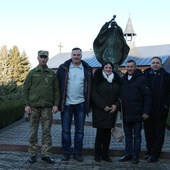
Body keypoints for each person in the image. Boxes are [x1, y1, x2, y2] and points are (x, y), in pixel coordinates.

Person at [23, 50, 60, 164]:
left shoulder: (51, 74)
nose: (43, 59)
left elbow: (56, 90)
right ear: (38, 58)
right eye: (41, 57)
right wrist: (26, 105)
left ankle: (46, 154)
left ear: (48, 58)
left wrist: (55, 104)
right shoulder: (32, 73)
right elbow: (25, 89)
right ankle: (33, 154)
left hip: (47, 108)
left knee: (47, 132)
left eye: (45, 57)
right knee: (33, 132)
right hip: (33, 108)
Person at [56, 47, 92, 162]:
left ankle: (77, 153)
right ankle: (66, 152)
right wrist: (56, 103)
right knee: (65, 130)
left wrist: (89, 104)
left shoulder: (87, 69)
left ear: (81, 56)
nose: (76, 56)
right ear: (71, 56)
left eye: (78, 55)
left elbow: (91, 87)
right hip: (66, 104)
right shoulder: (63, 68)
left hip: (81, 104)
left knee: (80, 131)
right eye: (74, 54)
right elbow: (57, 86)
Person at [119, 59, 151, 164]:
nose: (129, 68)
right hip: (126, 113)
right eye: (127, 66)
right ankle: (128, 153)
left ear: (135, 67)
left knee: (137, 136)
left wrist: (146, 111)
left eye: (131, 66)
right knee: (128, 135)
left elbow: (147, 96)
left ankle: (135, 155)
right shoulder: (123, 79)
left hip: (138, 113)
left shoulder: (141, 79)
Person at [91, 61, 121, 162]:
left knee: (107, 134)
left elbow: (121, 95)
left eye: (110, 68)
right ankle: (97, 155)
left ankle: (105, 155)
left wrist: (116, 105)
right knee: (100, 134)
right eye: (106, 67)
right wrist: (103, 106)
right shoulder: (98, 79)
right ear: (103, 68)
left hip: (112, 111)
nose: (108, 69)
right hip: (100, 110)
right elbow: (94, 93)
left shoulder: (116, 80)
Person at [143, 56, 170, 163]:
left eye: (157, 63)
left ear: (161, 64)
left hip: (160, 110)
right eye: (153, 62)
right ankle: (150, 152)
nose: (155, 64)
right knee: (148, 132)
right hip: (148, 110)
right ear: (150, 64)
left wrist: (166, 105)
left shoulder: (167, 76)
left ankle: (155, 154)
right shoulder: (145, 75)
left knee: (158, 133)